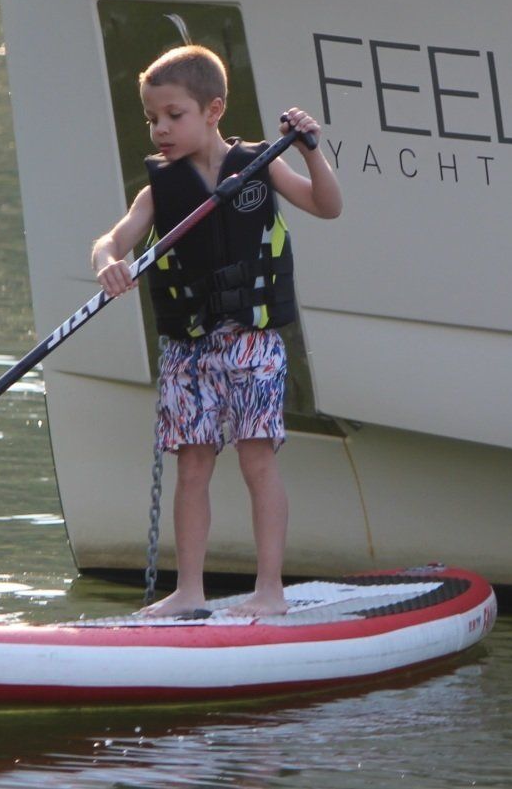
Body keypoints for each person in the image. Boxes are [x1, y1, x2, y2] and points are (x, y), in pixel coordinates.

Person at [91, 44, 343, 617]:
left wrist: (312, 154)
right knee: (193, 466)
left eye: (173, 116)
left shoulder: (260, 164)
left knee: (258, 461)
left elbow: (326, 206)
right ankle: (189, 593)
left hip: (251, 343)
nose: (160, 129)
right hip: (188, 350)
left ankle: (270, 590)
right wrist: (108, 262)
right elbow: (116, 239)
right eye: (152, 118)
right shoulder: (160, 189)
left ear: (213, 110)